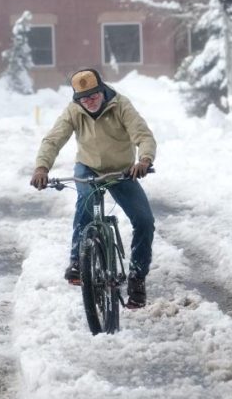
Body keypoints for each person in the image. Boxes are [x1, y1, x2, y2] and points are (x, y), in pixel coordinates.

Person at [30, 68, 156, 308]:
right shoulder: (74, 111)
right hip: (88, 169)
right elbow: (53, 140)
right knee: (85, 202)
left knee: (144, 221)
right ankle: (78, 260)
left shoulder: (121, 106)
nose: (90, 101)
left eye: (94, 95)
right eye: (84, 98)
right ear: (77, 99)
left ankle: (137, 278)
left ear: (102, 90)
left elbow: (143, 134)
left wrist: (144, 160)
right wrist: (41, 168)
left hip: (122, 171)